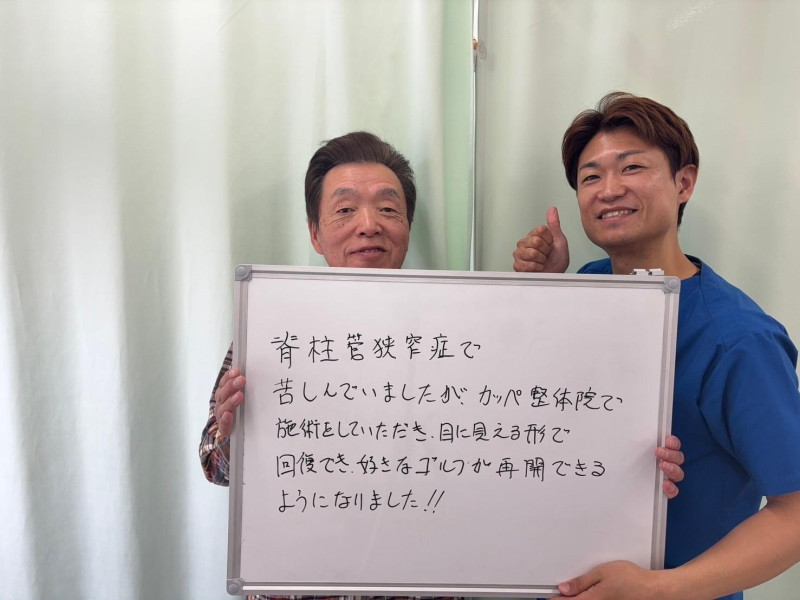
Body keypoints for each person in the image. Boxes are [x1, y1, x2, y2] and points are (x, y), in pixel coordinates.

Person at [200, 130, 684, 600]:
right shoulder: (273, 325)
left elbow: (538, 427)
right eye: (345, 209)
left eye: (388, 208)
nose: (369, 224)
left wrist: (629, 464)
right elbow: (215, 468)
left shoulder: (460, 328)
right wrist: (230, 433)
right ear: (315, 233)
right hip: (300, 584)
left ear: (407, 227)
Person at [513, 92, 800, 600]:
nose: (609, 190)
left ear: (684, 183)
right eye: (591, 177)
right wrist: (551, 288)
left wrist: (657, 589)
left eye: (632, 167)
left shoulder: (738, 339)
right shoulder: (590, 284)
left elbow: (794, 513)